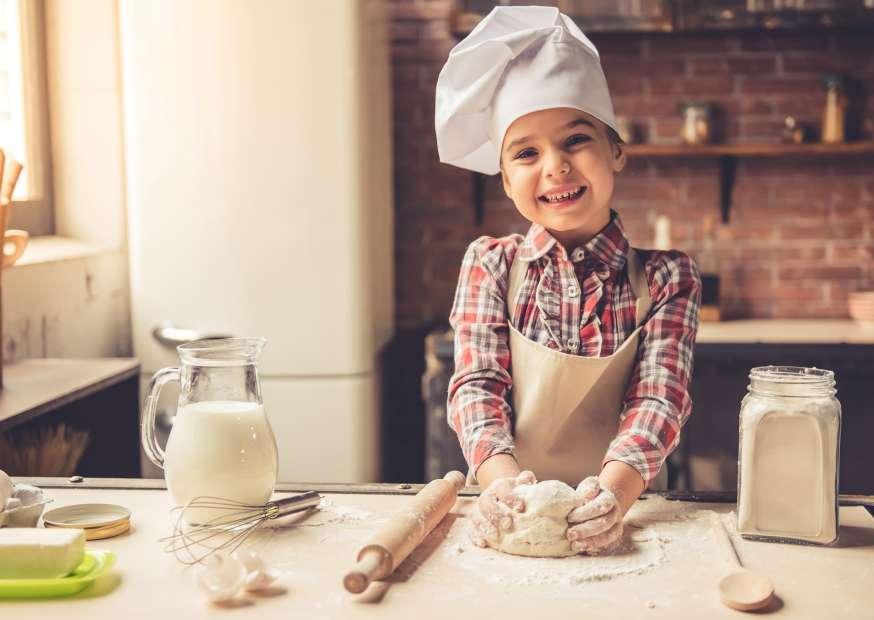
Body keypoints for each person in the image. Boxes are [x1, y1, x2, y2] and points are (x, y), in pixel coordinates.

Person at [435, 6, 701, 556]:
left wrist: (612, 499)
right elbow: (478, 387)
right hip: (510, 513)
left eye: (576, 140)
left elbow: (659, 399)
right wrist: (502, 486)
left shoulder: (667, 277)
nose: (554, 166)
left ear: (616, 152)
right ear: (507, 181)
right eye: (527, 153)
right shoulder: (490, 264)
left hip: (633, 516)